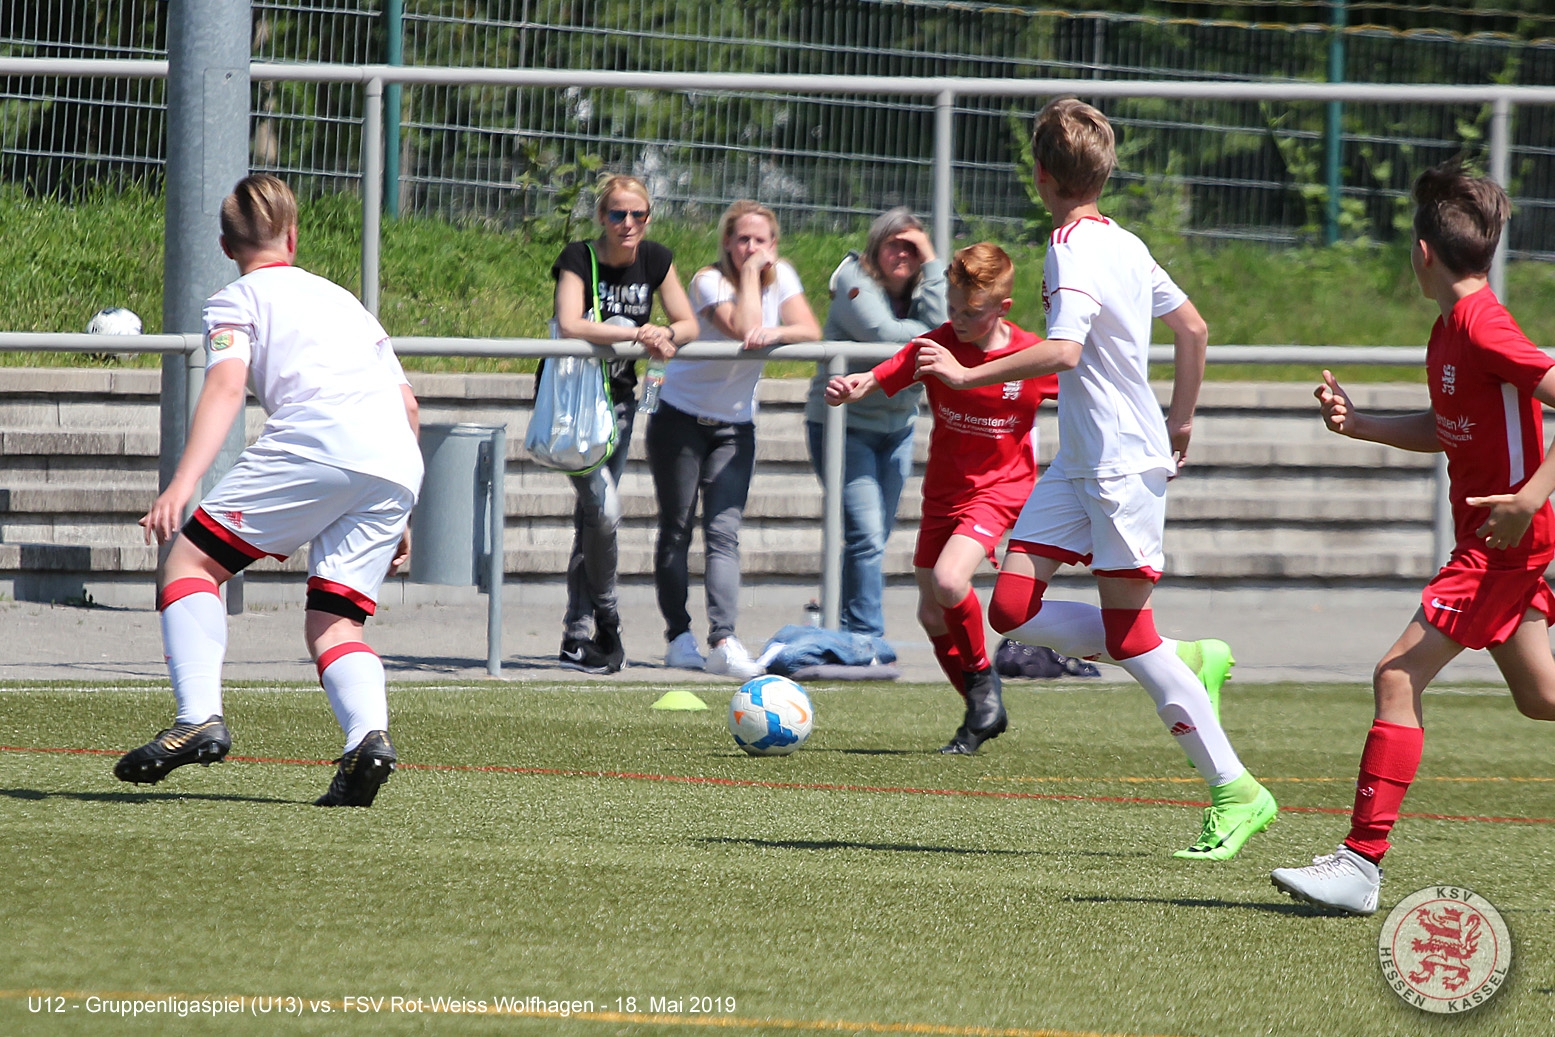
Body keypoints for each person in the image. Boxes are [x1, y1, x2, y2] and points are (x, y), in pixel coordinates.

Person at [917, 98, 1271, 859]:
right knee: (1010, 607)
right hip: (1081, 460)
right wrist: (1180, 418)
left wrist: (967, 374)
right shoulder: (1125, 242)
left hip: (1116, 466)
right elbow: (1193, 328)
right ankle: (1184, 655)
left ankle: (1235, 790)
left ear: (1040, 175)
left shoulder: (1072, 248)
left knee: (1128, 638)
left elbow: (1065, 351)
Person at [1272, 162, 1555, 913]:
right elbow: (1447, 427)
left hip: (1498, 545)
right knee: (1541, 697)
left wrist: (1529, 497)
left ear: (1422, 253)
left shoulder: (1484, 326)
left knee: (1396, 674)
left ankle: (1360, 864)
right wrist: (1359, 423)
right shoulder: (1449, 330)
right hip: (1496, 541)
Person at [116, 174, 423, 808]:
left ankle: (198, 717)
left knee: (189, 564)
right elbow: (408, 406)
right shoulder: (346, 302)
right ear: (293, 236)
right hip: (396, 461)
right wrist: (401, 515)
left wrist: (181, 483)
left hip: (318, 441)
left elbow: (227, 385)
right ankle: (367, 739)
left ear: (226, 246)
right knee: (335, 623)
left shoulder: (235, 299)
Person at [827, 242, 1058, 753]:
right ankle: (982, 711)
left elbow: (1086, 389)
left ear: (1002, 308)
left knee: (951, 581)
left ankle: (982, 686)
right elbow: (885, 372)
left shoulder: (1030, 355)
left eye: (972, 312)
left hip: (999, 490)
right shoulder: (937, 345)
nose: (958, 321)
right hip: (944, 492)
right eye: (952, 308)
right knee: (932, 615)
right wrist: (854, 386)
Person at [651, 200, 821, 678]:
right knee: (677, 528)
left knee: (724, 532)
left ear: (774, 245)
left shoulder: (783, 276)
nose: (751, 248)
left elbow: (810, 331)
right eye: (742, 239)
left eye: (760, 240)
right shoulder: (708, 281)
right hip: (679, 417)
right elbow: (744, 328)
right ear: (726, 242)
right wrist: (748, 277)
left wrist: (775, 331)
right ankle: (678, 636)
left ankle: (723, 638)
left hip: (735, 426)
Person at [550, 174, 697, 674]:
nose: (628, 223)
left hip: (622, 403)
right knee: (603, 512)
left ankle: (578, 635)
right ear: (602, 217)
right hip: (575, 406)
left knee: (594, 518)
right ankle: (606, 623)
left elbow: (688, 323)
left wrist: (664, 332)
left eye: (638, 214)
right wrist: (639, 334)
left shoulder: (656, 258)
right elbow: (570, 322)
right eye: (617, 214)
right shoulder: (578, 257)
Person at [804, 207, 945, 639]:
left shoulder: (925, 286)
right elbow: (883, 335)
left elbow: (947, 328)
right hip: (844, 426)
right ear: (875, 248)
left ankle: (844, 625)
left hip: (897, 428)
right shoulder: (852, 277)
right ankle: (866, 636)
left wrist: (933, 262)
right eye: (893, 244)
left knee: (874, 537)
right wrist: (929, 333)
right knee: (865, 535)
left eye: (913, 247)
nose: (903, 254)